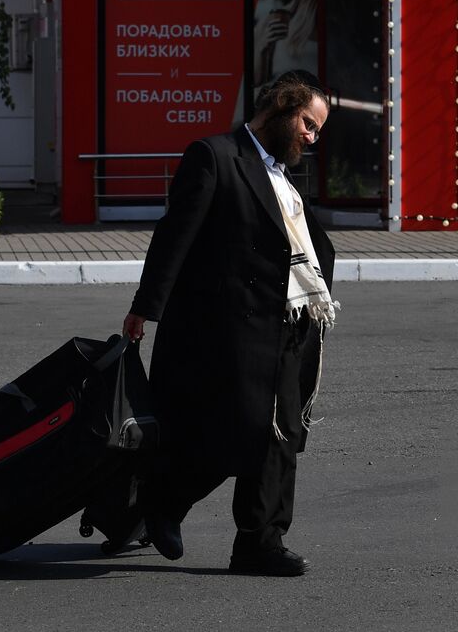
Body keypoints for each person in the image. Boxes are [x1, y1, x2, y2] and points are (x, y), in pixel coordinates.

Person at [122, 69, 338, 577]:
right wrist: (144, 308)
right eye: (309, 123)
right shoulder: (215, 156)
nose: (312, 137)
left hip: (288, 325)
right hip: (229, 331)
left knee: (282, 436)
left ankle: (259, 543)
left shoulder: (283, 177)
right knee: (231, 433)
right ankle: (162, 502)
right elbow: (174, 236)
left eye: (318, 130)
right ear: (283, 106)